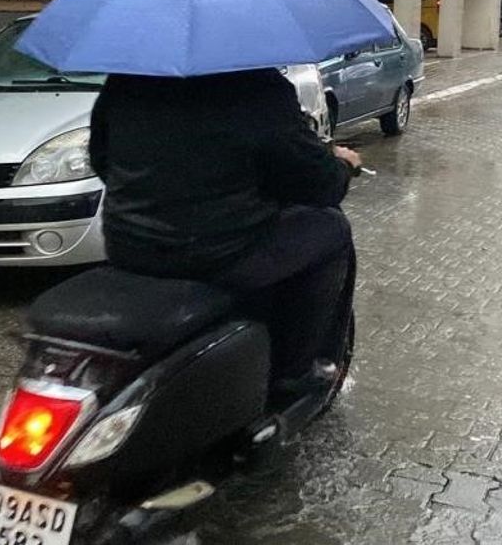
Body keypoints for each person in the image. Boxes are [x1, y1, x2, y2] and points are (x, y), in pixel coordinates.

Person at [88, 68, 360, 392]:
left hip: (128, 246)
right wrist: (344, 164)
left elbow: (101, 158)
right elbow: (321, 184)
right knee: (332, 230)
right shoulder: (260, 87)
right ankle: (295, 370)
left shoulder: (127, 80)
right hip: (218, 254)